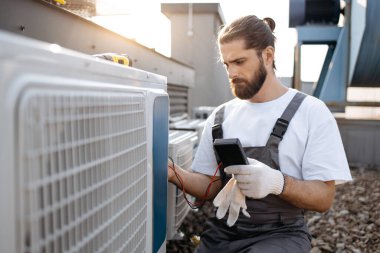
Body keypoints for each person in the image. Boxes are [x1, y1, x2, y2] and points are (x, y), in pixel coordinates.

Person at [167, 15, 352, 253]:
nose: (232, 72)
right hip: (222, 234)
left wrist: (278, 182)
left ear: (267, 55)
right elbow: (211, 187)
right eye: (226, 64)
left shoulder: (310, 112)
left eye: (240, 61)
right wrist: (173, 173)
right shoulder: (220, 117)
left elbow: (324, 198)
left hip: (281, 235)